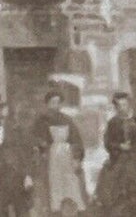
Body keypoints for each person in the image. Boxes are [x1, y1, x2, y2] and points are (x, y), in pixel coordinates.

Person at [30, 89, 87, 217]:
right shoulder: (41, 121)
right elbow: (34, 138)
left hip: (67, 157)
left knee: (73, 186)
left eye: (58, 102)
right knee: (54, 189)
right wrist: (41, 145)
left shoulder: (67, 120)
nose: (55, 105)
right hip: (50, 158)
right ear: (47, 104)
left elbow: (76, 139)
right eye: (52, 102)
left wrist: (77, 157)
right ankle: (55, 212)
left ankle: (79, 212)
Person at [97, 91, 136, 217]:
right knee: (112, 188)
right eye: (119, 106)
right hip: (118, 159)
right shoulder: (113, 123)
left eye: (124, 105)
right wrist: (120, 146)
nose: (122, 108)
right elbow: (108, 142)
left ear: (129, 105)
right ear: (116, 107)